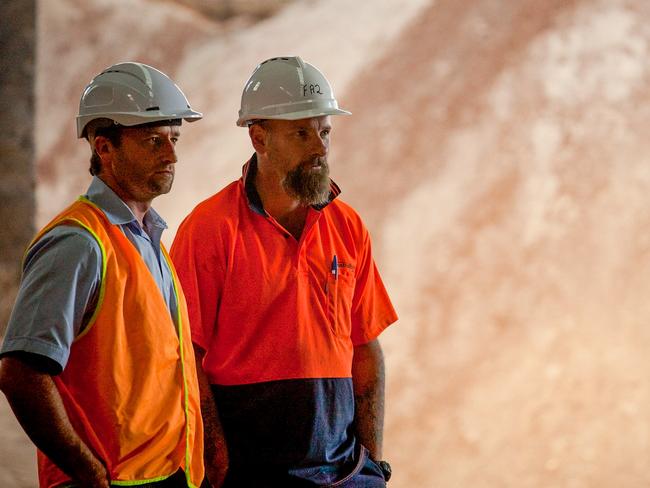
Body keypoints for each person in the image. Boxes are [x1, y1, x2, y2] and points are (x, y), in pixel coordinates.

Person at [171, 56, 398, 487]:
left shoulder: (347, 226)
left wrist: (374, 466)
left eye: (324, 131)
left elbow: (366, 348)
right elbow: (185, 358)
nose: (319, 146)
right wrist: (216, 461)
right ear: (259, 138)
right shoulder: (209, 230)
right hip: (249, 474)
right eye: (300, 133)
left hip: (346, 473)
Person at [0, 62, 206, 488]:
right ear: (104, 147)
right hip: (111, 480)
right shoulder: (78, 243)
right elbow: (21, 373)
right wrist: (86, 470)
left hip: (167, 473)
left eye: (174, 139)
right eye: (153, 140)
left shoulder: (148, 238)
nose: (171, 155)